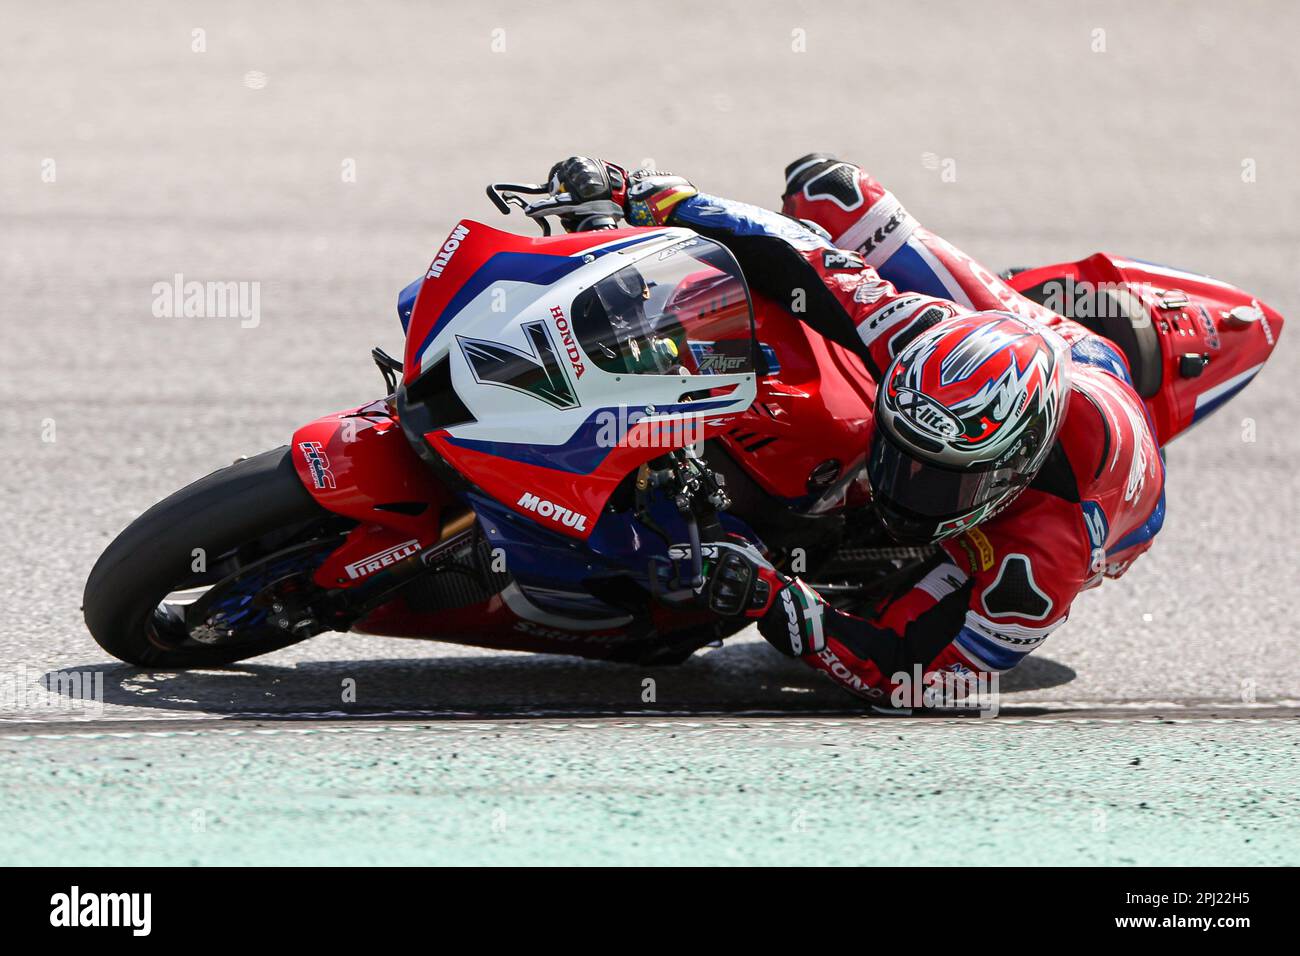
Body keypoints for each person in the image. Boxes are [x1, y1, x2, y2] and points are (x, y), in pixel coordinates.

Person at [540, 155, 1166, 706]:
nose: (903, 487)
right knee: (829, 190)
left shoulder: (1045, 555)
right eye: (900, 452)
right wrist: (655, 200)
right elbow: (809, 259)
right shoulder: (916, 332)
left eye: (937, 481)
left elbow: (933, 682)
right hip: (1041, 348)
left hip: (1099, 480)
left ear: (1010, 474)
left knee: (894, 624)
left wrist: (777, 601)